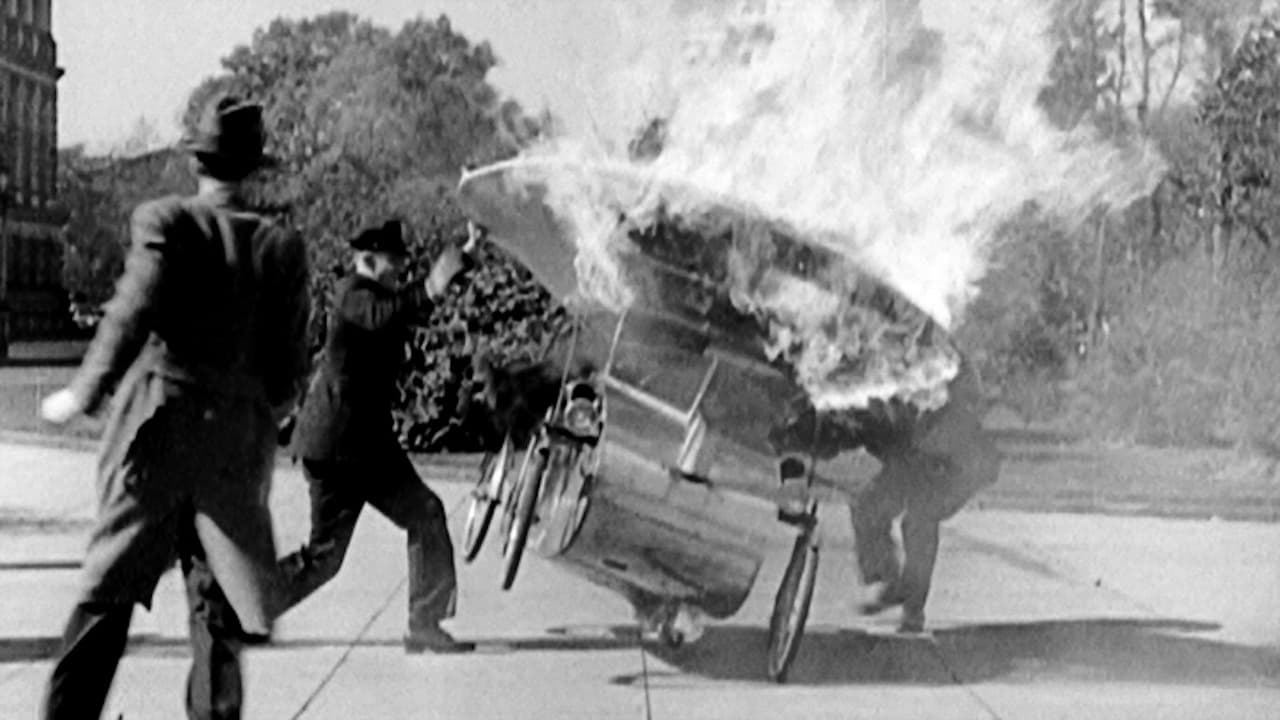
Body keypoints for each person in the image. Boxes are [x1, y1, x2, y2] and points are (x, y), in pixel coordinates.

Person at [37, 96, 310, 719]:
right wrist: (258, 409)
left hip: (158, 430)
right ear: (253, 168)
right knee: (217, 611)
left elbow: (132, 310)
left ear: (197, 162)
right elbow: (288, 368)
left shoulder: (167, 221)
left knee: (107, 592)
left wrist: (85, 391)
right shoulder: (282, 247)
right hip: (234, 448)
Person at [278, 219, 474, 653]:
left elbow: (404, 307)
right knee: (325, 558)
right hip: (337, 447)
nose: (401, 266)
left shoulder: (377, 295)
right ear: (367, 259)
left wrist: (466, 255)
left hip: (363, 445)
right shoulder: (351, 294)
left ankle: (425, 624)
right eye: (393, 260)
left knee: (423, 514)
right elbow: (386, 314)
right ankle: (242, 607)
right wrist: (431, 285)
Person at [847, 358, 1001, 634]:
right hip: (913, 459)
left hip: (953, 465)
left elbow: (962, 420)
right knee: (868, 504)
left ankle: (913, 607)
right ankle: (890, 579)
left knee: (919, 520)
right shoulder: (888, 364)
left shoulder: (947, 362)